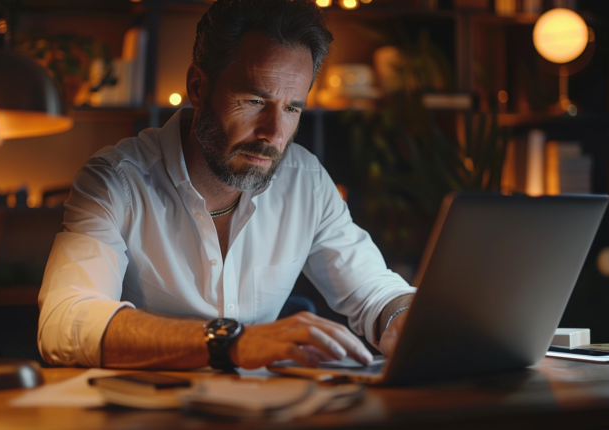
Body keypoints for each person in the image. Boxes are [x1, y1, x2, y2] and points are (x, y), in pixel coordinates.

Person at [38, 0, 416, 370]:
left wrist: (403, 317)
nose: (274, 134)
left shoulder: (306, 181)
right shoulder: (115, 181)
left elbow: (376, 292)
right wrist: (232, 342)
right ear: (198, 87)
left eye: (291, 108)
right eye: (254, 100)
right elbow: (66, 321)